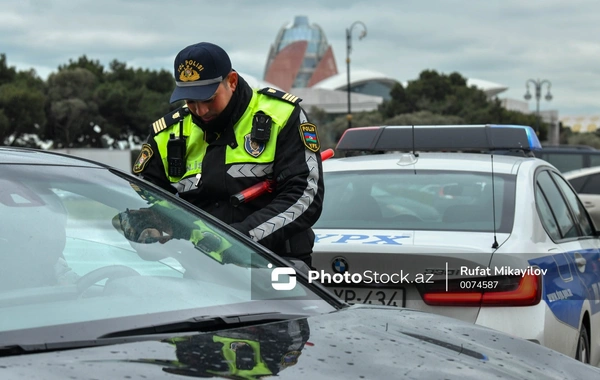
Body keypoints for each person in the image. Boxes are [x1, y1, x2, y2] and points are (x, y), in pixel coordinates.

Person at [133, 42, 324, 267]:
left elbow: (304, 196)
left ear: (232, 82)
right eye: (191, 101)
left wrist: (238, 241)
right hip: (203, 268)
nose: (200, 110)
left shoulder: (282, 116)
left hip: (275, 263)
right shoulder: (167, 133)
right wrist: (151, 225)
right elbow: (143, 196)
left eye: (208, 99)